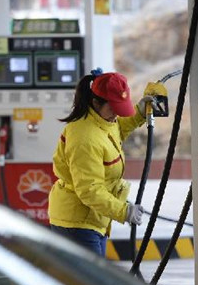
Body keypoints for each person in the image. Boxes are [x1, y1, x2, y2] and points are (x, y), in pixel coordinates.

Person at [48, 68, 154, 257]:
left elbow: (116, 129)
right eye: (113, 108)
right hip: (77, 225)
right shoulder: (84, 138)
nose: (116, 115)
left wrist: (139, 113)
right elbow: (89, 190)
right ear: (95, 102)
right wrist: (124, 211)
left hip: (93, 220)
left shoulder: (103, 121)